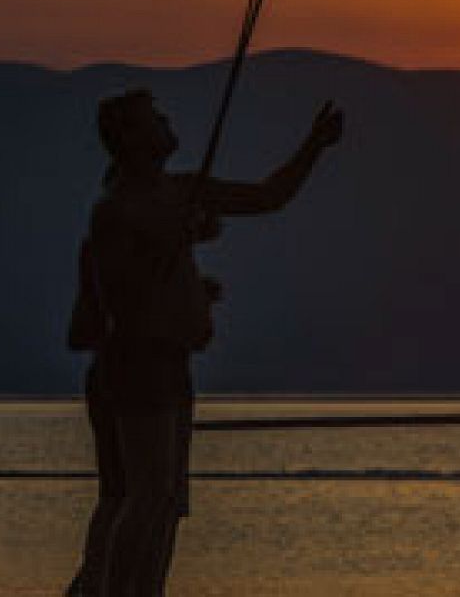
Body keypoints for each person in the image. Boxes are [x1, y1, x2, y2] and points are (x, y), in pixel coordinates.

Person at [67, 88, 343, 596]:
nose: (167, 121)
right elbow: (119, 298)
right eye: (155, 117)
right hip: (139, 363)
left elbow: (266, 197)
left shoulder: (180, 193)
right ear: (131, 138)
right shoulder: (117, 209)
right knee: (145, 496)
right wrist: (172, 242)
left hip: (172, 364)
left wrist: (313, 147)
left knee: (166, 500)